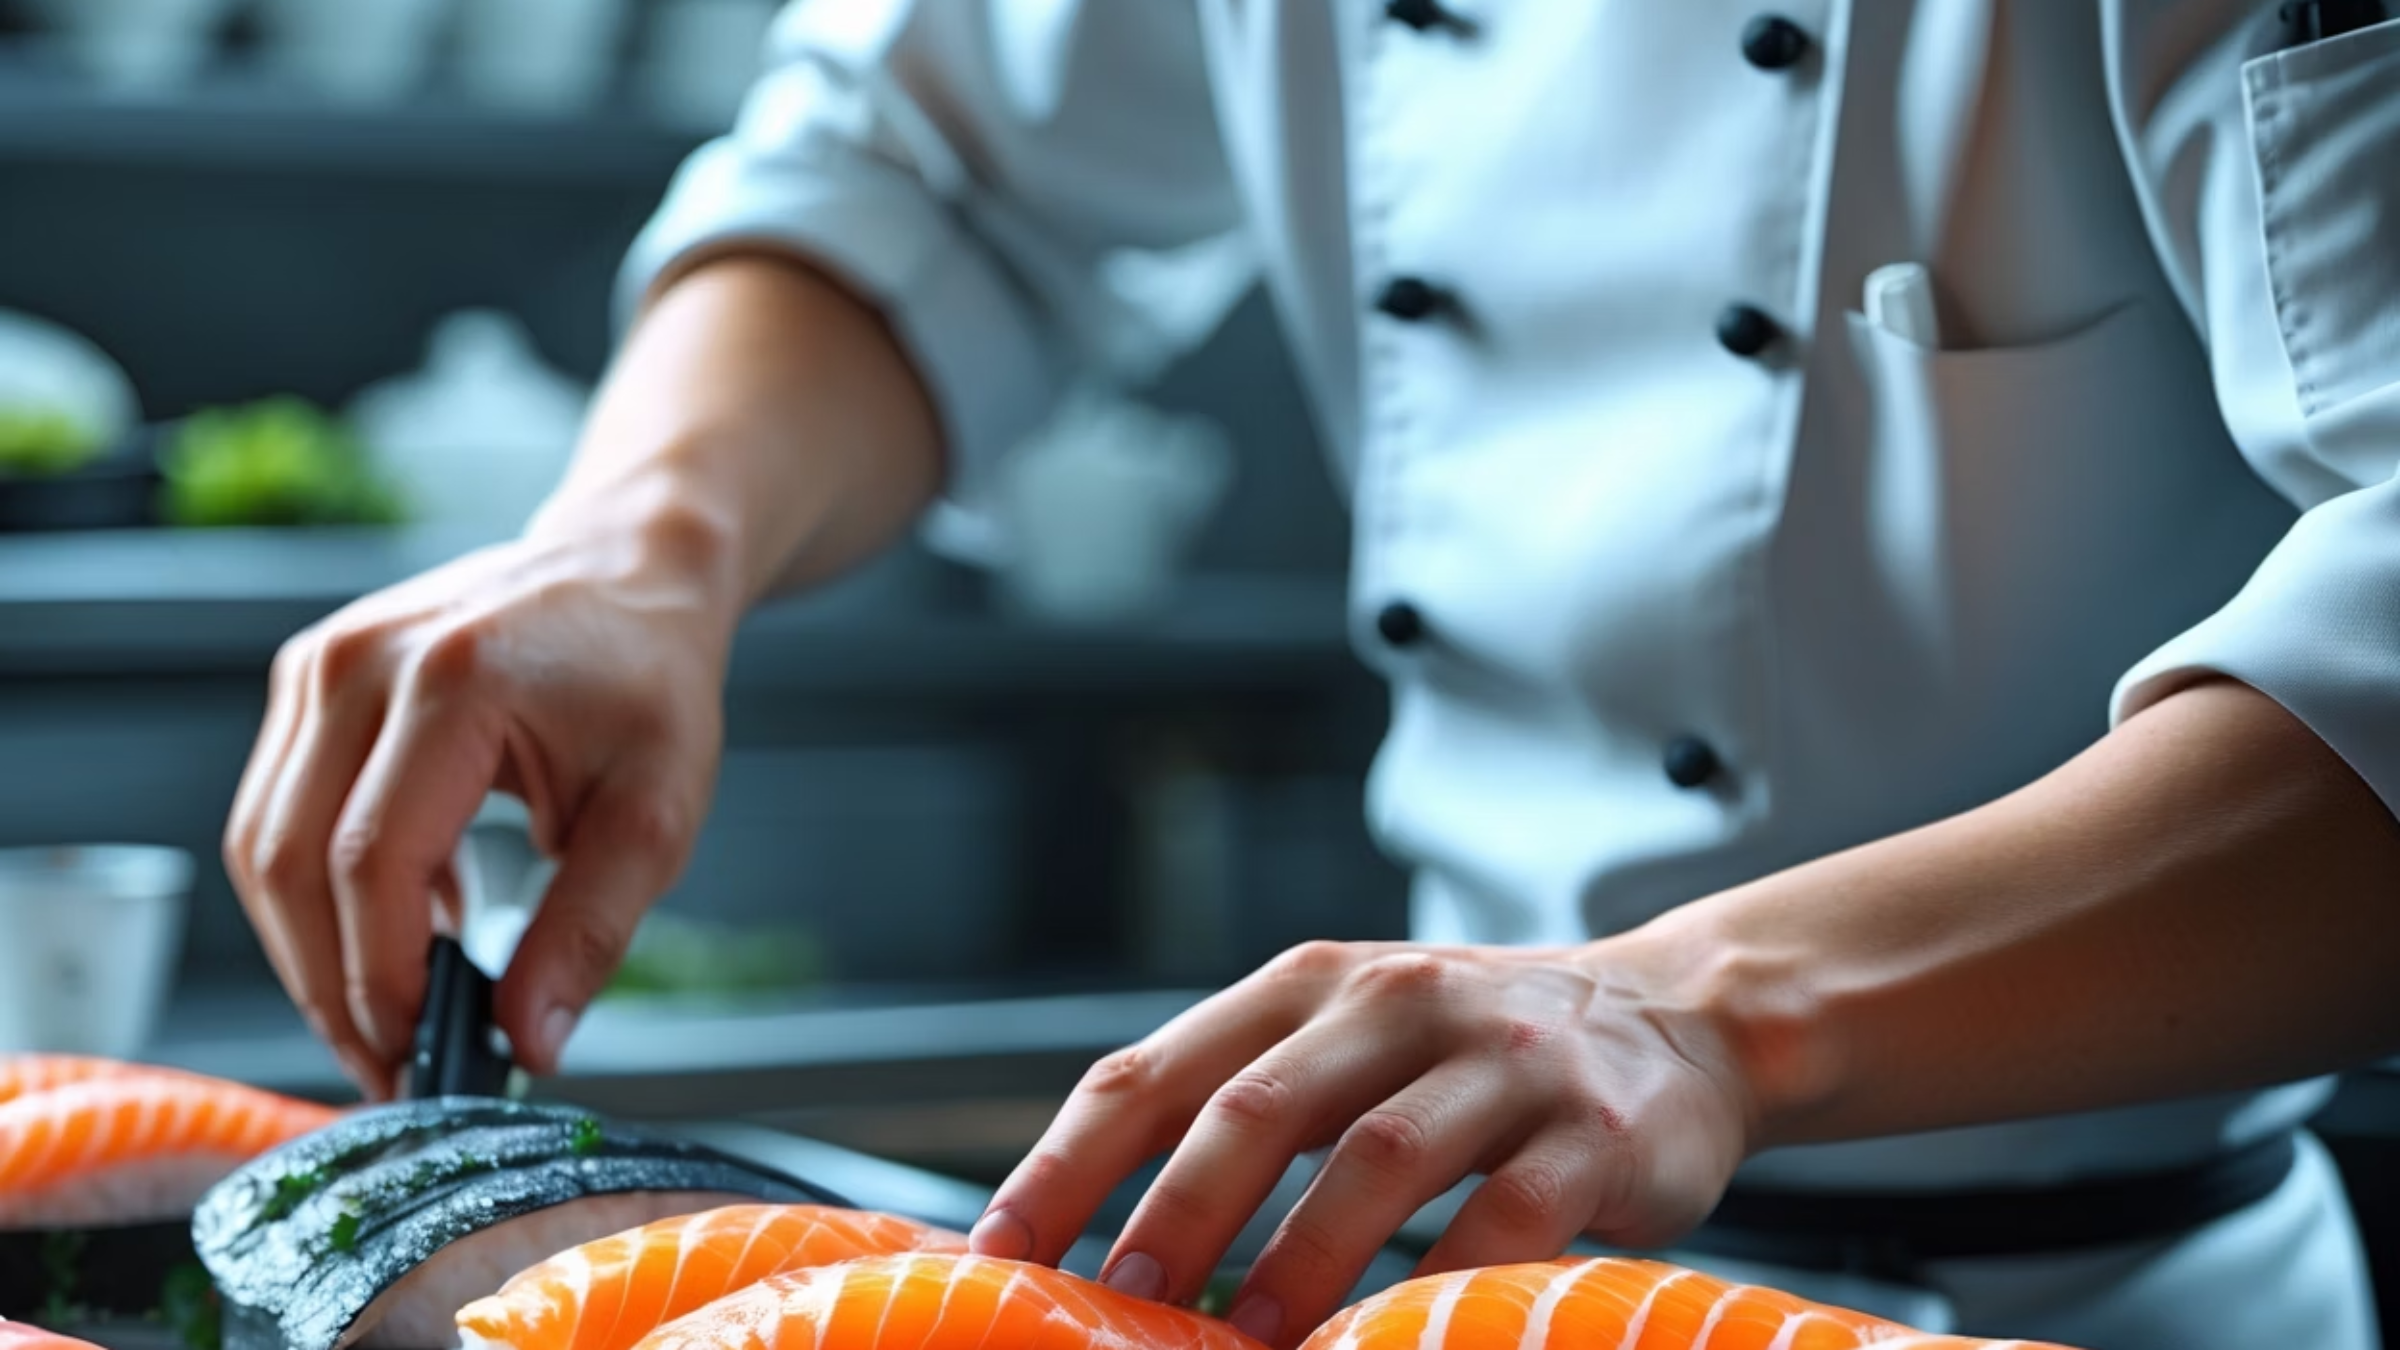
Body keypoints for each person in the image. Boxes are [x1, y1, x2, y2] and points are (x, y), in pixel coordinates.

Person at [221, 2, 2400, 1347]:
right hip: (1459, 1286)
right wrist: (639, 538)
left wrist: (1697, 1010)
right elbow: (926, 174)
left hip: (2116, 1290)